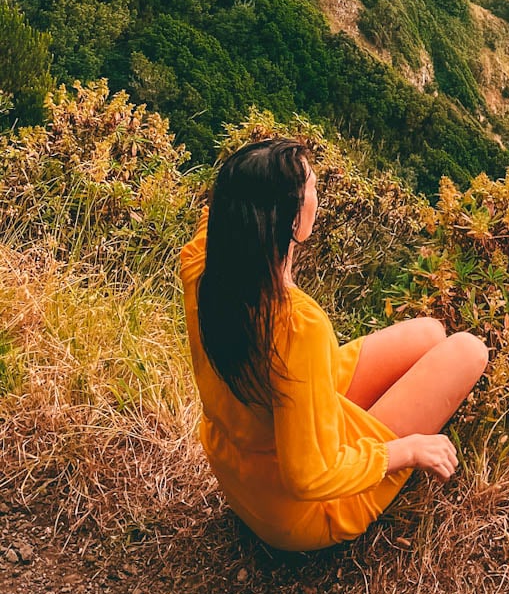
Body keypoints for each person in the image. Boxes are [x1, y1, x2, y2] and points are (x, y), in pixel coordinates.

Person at [179, 136, 489, 552]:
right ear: (292, 220)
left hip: (242, 471)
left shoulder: (202, 264)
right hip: (299, 511)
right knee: (468, 350)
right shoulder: (296, 325)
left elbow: (225, 202)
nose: (318, 194)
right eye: (311, 187)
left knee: (430, 333)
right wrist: (408, 451)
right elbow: (308, 477)